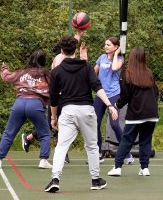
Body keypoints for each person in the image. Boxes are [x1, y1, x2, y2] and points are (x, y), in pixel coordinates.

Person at [44, 36, 118, 193]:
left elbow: (54, 98)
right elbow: (97, 87)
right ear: (75, 50)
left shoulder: (57, 71)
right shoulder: (86, 67)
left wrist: (53, 117)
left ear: (62, 51)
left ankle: (55, 179)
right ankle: (95, 180)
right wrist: (109, 105)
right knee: (92, 146)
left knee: (61, 146)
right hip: (86, 110)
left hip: (68, 111)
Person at [22, 29, 87, 164]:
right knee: (52, 123)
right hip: (57, 96)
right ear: (63, 50)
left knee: (60, 123)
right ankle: (29, 138)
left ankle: (60, 150)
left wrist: (78, 35)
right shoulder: (59, 59)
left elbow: (71, 45)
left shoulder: (65, 56)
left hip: (66, 95)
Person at [0, 50, 52, 169]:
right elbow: (56, 86)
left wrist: (4, 68)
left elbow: (7, 77)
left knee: (9, 133)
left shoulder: (22, 72)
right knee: (44, 133)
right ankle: (43, 160)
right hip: (36, 104)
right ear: (43, 61)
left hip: (19, 103)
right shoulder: (46, 75)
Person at [107, 47, 159, 177]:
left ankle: (117, 167)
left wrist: (117, 105)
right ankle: (145, 168)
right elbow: (156, 92)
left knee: (126, 140)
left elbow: (125, 95)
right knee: (146, 141)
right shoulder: (149, 73)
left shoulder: (127, 73)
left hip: (136, 113)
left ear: (131, 58)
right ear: (143, 58)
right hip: (151, 113)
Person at [93, 37, 133, 164]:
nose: (105, 46)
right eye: (105, 44)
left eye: (108, 45)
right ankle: (98, 153)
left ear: (116, 47)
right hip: (101, 95)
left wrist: (115, 54)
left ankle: (126, 154)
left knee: (115, 125)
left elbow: (115, 68)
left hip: (113, 95)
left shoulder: (120, 59)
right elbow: (94, 72)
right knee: (95, 124)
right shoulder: (101, 57)